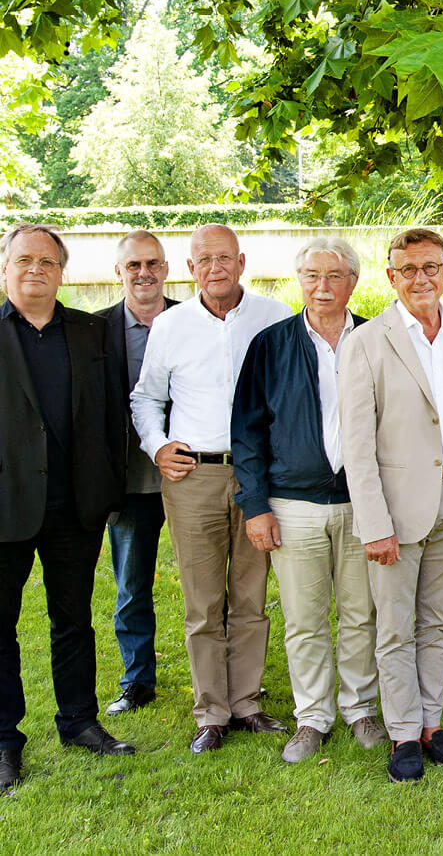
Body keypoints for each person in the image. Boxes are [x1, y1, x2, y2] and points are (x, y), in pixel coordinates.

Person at [130, 223, 292, 754]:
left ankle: (246, 702)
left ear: (241, 263)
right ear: (190, 267)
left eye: (224, 258)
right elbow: (146, 398)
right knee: (203, 602)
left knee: (250, 595)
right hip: (192, 477)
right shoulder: (171, 325)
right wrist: (157, 447)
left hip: (257, 476)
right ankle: (211, 712)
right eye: (204, 260)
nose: (215, 268)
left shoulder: (274, 317)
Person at [339, 228, 443, 782]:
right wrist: (373, 522)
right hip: (397, 506)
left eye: (431, 267)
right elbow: (356, 444)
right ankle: (403, 731)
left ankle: (432, 722)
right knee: (395, 625)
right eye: (409, 270)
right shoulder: (366, 341)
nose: (421, 278)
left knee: (440, 619)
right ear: (391, 276)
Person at [231, 237, 388, 763]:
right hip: (291, 504)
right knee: (304, 617)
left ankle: (361, 707)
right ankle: (312, 716)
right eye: (312, 276)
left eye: (334, 276)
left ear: (353, 282)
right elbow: (248, 432)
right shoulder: (271, 345)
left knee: (360, 611)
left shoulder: (376, 339)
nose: (323, 287)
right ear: (299, 281)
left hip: (362, 503)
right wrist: (255, 505)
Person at [1, 225, 133, 793]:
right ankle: (4, 740)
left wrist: (107, 491)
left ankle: (79, 721)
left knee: (73, 620)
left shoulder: (89, 333)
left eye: (47, 261)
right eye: (23, 259)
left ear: (62, 270)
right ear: (5, 267)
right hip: (6, 505)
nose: (36, 269)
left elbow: (110, 416)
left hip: (74, 506)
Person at [97, 230, 176, 716]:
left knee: (211, 587)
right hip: (127, 482)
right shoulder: (95, 330)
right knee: (132, 586)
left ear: (167, 268)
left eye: (152, 264)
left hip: (195, 478)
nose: (143, 273)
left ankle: (227, 680)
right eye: (133, 266)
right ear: (119, 272)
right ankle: (137, 680)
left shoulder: (194, 319)